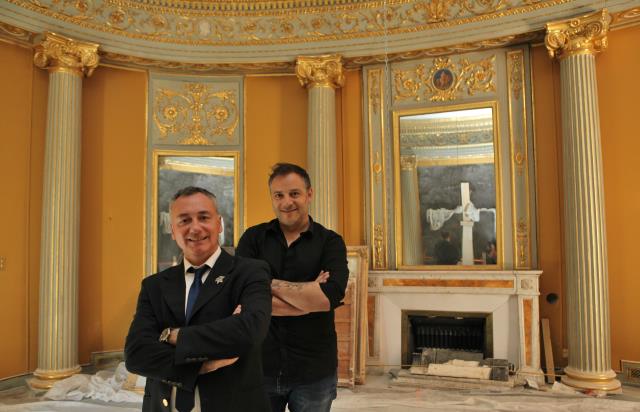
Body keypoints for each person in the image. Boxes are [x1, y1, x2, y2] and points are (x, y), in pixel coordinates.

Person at [125, 186, 272, 412]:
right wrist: (200, 366)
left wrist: (171, 336)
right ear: (173, 231)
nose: (195, 227)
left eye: (204, 217)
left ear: (219, 223)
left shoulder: (250, 272)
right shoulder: (153, 285)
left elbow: (250, 331)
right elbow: (136, 354)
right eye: (184, 221)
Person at [236, 163, 349, 412]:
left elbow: (330, 296)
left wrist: (264, 283)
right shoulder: (252, 239)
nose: (287, 202)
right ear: (272, 199)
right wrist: (308, 294)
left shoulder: (331, 242)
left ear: (310, 194)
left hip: (314, 372)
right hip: (259, 367)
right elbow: (242, 296)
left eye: (294, 193)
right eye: (279, 195)